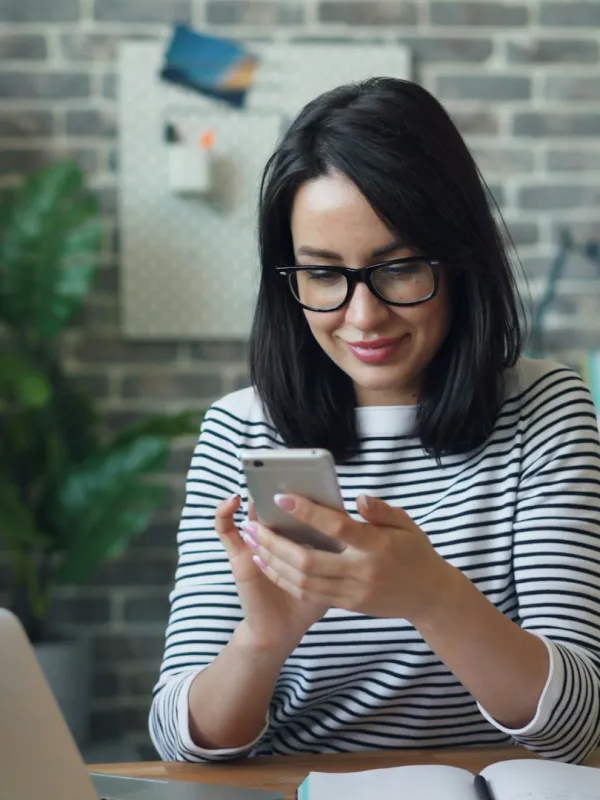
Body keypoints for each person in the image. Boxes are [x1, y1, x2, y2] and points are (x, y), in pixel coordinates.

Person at [149, 78, 600, 764]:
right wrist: (263, 641)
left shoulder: (544, 410)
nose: (363, 318)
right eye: (324, 275)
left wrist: (433, 596)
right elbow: (182, 742)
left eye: (399, 269)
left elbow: (580, 726)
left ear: (462, 263)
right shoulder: (241, 429)